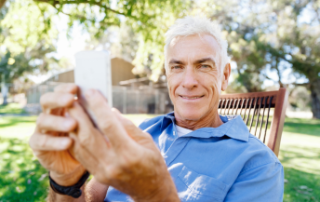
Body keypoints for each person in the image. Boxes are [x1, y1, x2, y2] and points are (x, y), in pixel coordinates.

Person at [29, 16, 284, 202]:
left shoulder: (258, 165)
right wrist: (66, 183)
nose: (188, 81)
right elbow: (90, 197)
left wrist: (153, 192)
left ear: (225, 75)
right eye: (177, 67)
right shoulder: (142, 132)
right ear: (167, 75)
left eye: (204, 66)